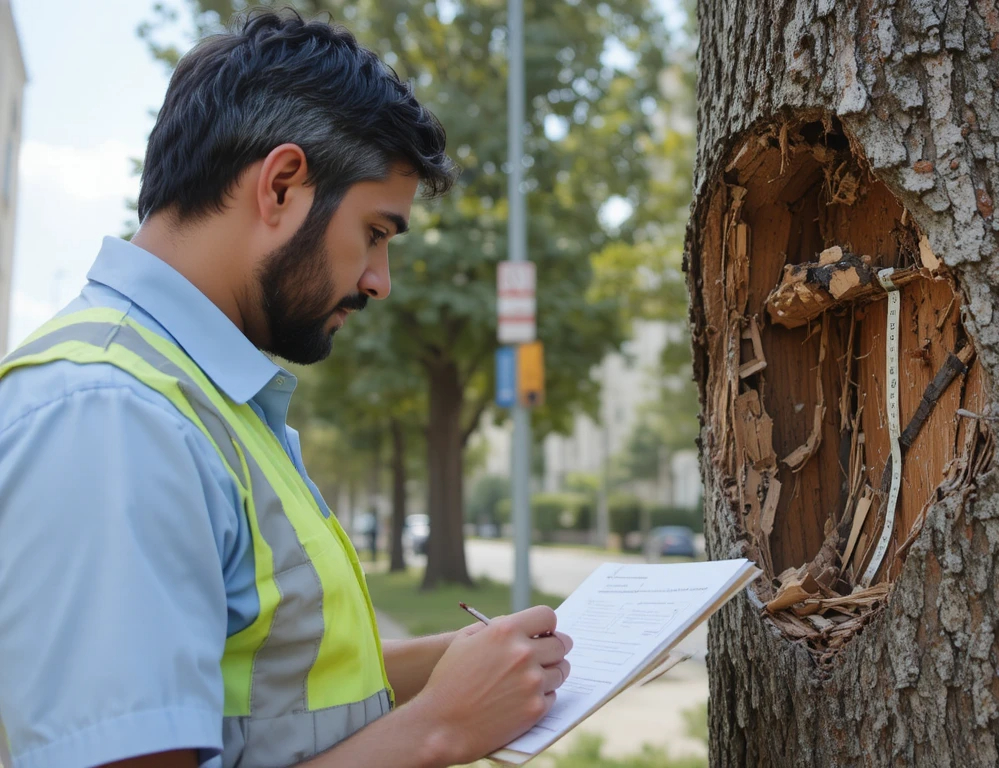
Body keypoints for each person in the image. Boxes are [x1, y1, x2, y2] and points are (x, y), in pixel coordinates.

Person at [0, 11, 571, 768]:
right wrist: (438, 728)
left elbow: (269, 686)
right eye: (375, 231)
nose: (380, 281)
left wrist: (469, 661)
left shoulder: (203, 400)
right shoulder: (112, 417)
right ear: (280, 186)